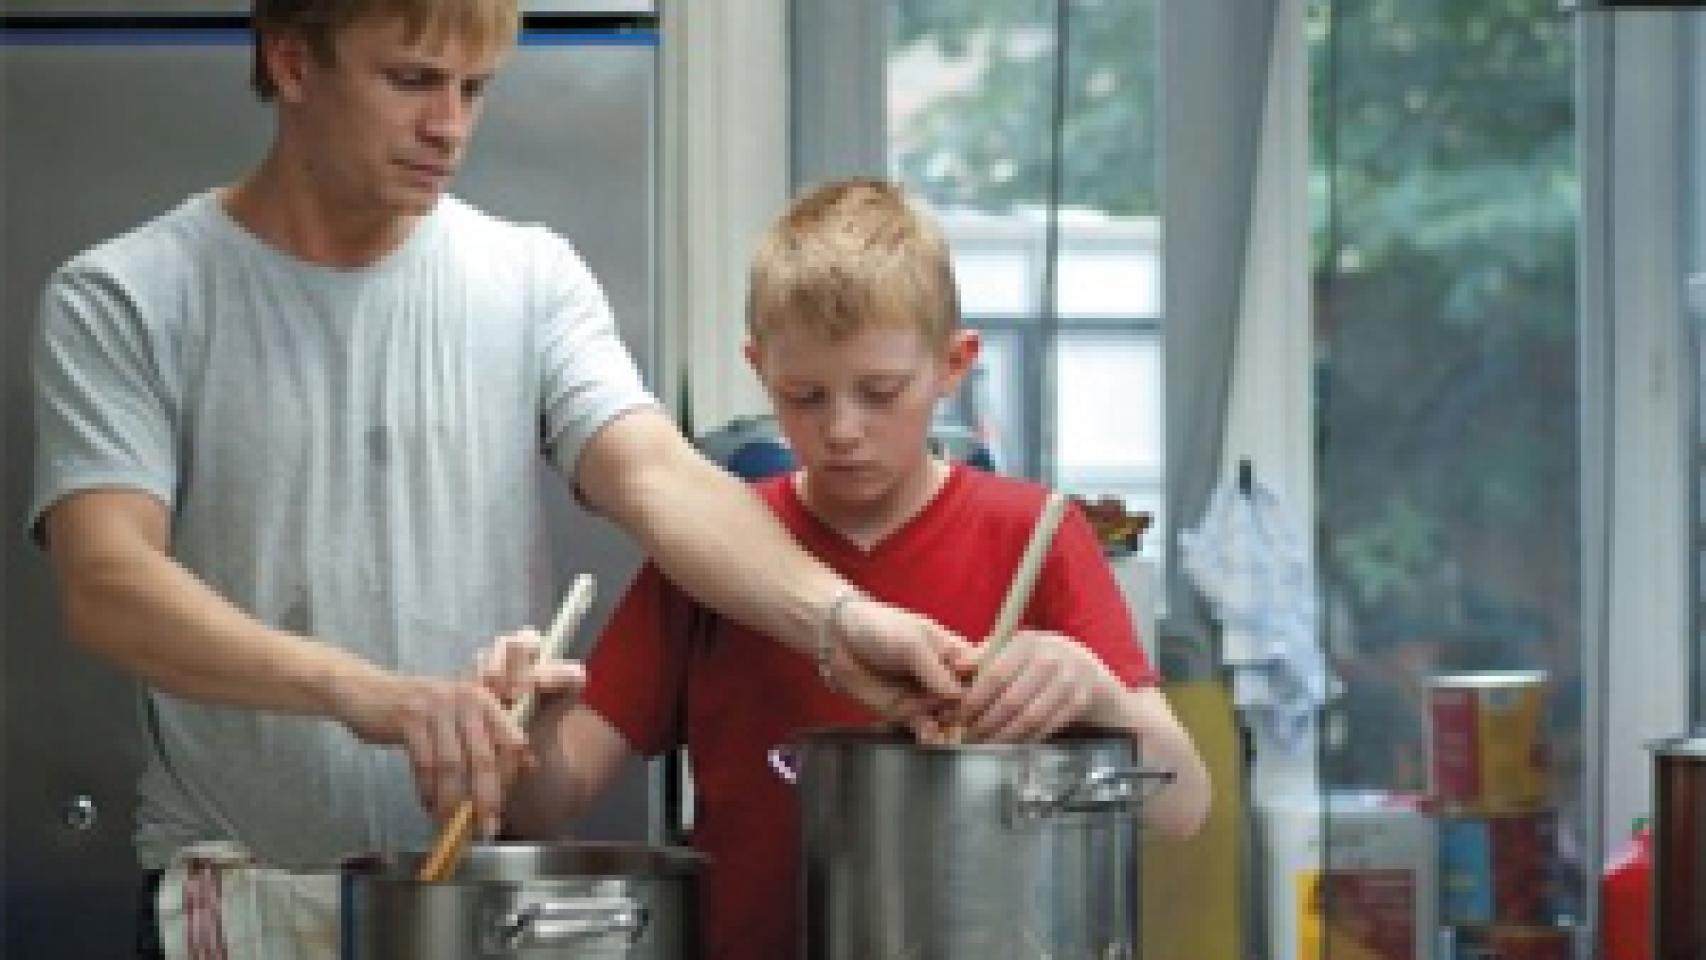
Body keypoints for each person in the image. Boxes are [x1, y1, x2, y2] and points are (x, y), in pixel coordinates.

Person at [27, 3, 974, 955]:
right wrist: (375, 696)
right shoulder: (129, 295)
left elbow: (657, 477)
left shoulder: (526, 278)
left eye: (473, 88)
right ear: (292, 61)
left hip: (475, 906)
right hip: (240, 905)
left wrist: (841, 622)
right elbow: (109, 586)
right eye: (411, 81)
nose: (450, 126)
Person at [484, 178, 1213, 960]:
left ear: (953, 364)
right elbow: (549, 806)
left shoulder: (1038, 535)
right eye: (805, 396)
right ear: (758, 368)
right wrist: (526, 733)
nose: (842, 431)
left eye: (880, 393)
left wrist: (1102, 697)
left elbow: (1184, 807)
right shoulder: (713, 548)